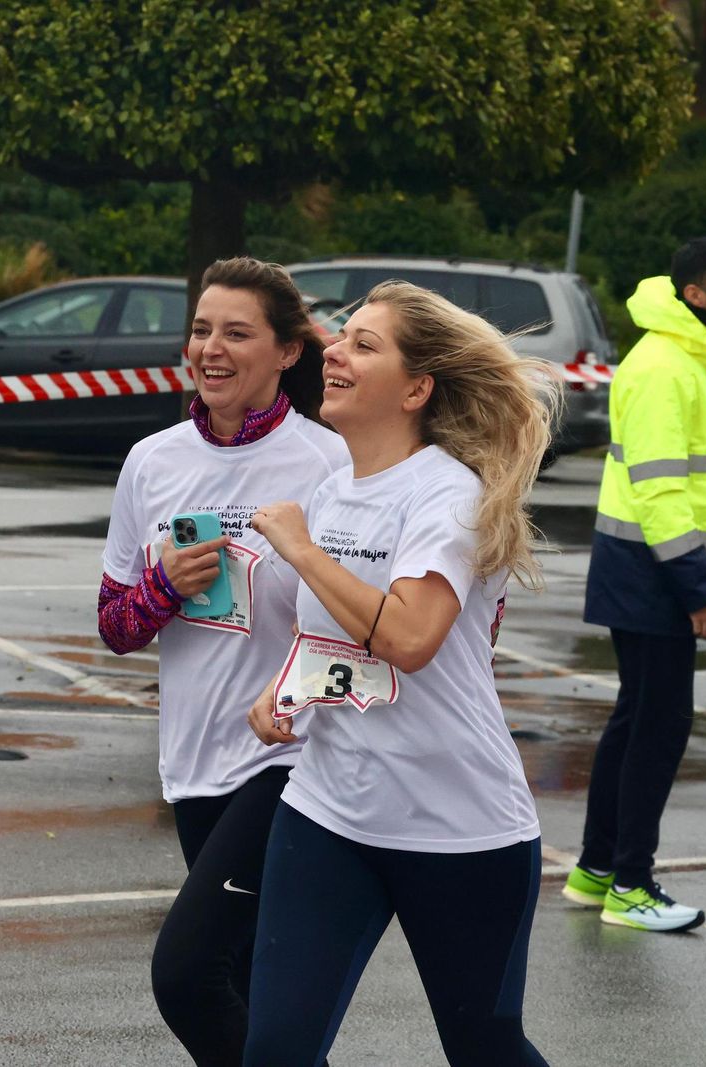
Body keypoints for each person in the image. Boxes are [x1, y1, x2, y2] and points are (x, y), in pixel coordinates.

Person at [244, 281, 557, 1067]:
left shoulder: (448, 494)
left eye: (362, 344)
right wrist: (287, 687)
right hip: (329, 814)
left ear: (417, 388)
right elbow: (333, 632)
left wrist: (304, 550)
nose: (334, 353)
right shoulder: (334, 487)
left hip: (457, 825)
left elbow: (412, 636)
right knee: (276, 1050)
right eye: (340, 339)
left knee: (485, 1049)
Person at [97, 257, 350, 1066]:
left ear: (286, 353)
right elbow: (114, 625)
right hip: (193, 762)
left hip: (291, 759)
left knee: (187, 974)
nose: (211, 347)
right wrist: (164, 588)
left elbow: (367, 625)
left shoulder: (329, 464)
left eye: (236, 332)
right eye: (202, 329)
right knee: (244, 987)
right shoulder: (153, 460)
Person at [562, 237, 706, 933]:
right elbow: (662, 491)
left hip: (646, 570)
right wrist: (699, 589)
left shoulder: (682, 359)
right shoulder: (665, 367)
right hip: (655, 573)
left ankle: (597, 869)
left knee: (636, 718)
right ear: (695, 296)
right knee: (658, 728)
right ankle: (632, 886)